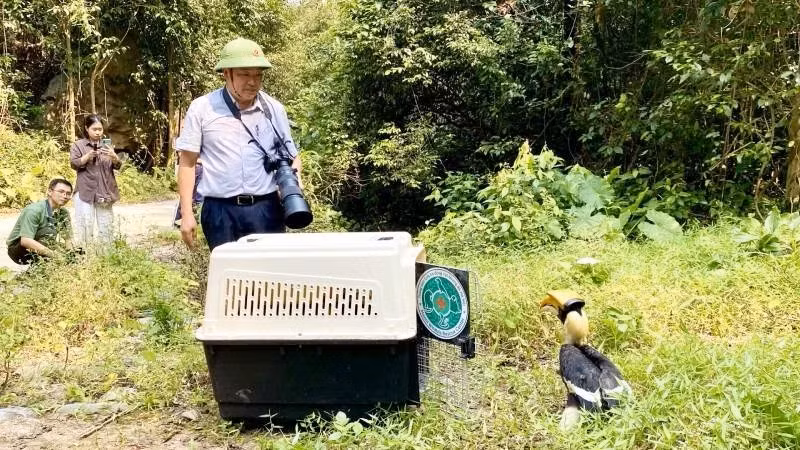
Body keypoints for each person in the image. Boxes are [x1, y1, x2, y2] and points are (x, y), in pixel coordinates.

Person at [175, 37, 303, 251]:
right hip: (220, 211)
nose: (252, 82)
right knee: (229, 278)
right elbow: (187, 162)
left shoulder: (274, 109)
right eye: (244, 74)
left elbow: (293, 156)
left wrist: (292, 184)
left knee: (267, 280)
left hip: (266, 209)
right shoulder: (202, 108)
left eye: (258, 75)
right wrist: (186, 214)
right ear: (227, 73)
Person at [69, 114, 122, 246]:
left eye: (100, 129)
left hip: (105, 191)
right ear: (87, 128)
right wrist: (87, 156)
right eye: (94, 129)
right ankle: (86, 257)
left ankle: (106, 258)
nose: (98, 132)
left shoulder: (106, 145)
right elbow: (74, 164)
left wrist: (114, 157)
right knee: (85, 226)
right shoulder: (78, 145)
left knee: (106, 228)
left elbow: (117, 166)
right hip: (85, 191)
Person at [6, 178, 74, 265]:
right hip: (18, 248)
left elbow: (69, 239)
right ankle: (34, 273)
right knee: (48, 243)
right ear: (50, 192)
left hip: (43, 243)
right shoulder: (34, 210)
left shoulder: (63, 213)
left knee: (77, 252)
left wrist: (71, 254)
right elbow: (25, 241)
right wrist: (55, 255)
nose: (65, 196)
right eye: (61, 191)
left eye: (68, 194)